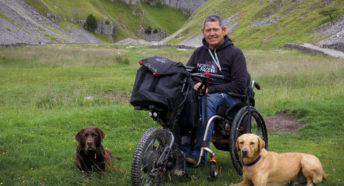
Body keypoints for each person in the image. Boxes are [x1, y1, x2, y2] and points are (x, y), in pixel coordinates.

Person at [182, 15, 250, 165]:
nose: (212, 33)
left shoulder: (235, 53)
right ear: (203, 32)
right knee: (181, 98)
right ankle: (182, 149)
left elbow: (240, 85)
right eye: (208, 30)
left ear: (224, 31)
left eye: (215, 29)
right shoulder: (198, 53)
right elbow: (187, 74)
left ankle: (199, 154)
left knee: (208, 100)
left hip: (230, 97)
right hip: (203, 93)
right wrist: (194, 84)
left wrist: (210, 89)